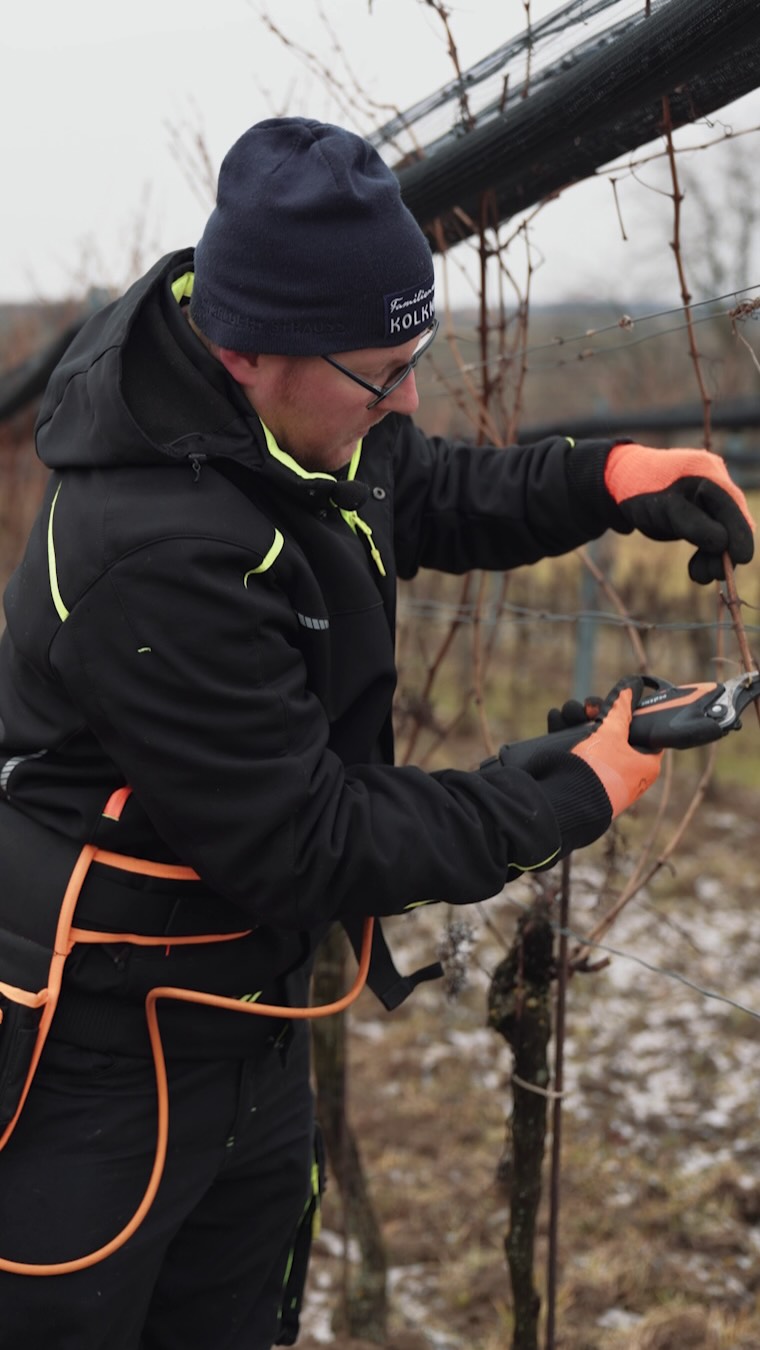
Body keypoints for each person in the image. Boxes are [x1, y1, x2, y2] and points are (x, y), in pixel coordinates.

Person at [0, 116, 753, 1350]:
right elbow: (309, 838)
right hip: (101, 1046)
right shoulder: (149, 550)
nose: (404, 395)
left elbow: (413, 483)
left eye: (414, 356)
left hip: (244, 1006)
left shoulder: (280, 408)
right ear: (248, 350)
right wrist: (570, 791)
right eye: (380, 372)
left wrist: (606, 474)